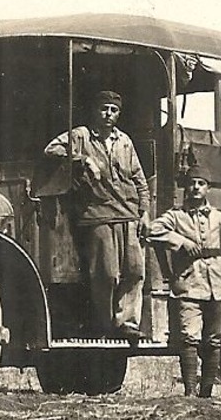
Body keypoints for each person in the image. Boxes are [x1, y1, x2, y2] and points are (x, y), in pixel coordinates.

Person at [44, 90, 150, 339]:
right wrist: (82, 159)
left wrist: (143, 212)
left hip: (129, 213)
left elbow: (139, 179)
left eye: (113, 110)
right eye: (104, 109)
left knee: (135, 270)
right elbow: (51, 150)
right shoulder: (81, 135)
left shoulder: (124, 141)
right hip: (97, 213)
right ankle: (105, 324)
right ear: (95, 110)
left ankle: (128, 323)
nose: (108, 114)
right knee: (107, 273)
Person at [146, 152, 221, 397]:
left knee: (214, 340)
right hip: (189, 283)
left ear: (208, 188)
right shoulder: (176, 216)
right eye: (192, 184)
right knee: (189, 337)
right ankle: (189, 392)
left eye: (201, 184)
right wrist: (181, 242)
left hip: (218, 286)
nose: (196, 188)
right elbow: (152, 230)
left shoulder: (220, 217)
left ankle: (206, 393)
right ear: (185, 188)